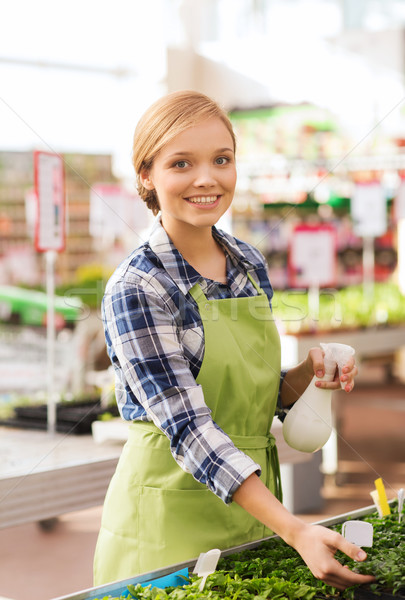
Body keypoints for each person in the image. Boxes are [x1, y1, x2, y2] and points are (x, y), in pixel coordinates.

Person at [93, 90, 374, 591]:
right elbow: (190, 428)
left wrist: (310, 373)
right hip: (166, 528)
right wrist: (294, 528)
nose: (208, 178)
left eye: (222, 159)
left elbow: (255, 401)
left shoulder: (248, 262)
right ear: (146, 177)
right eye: (181, 163)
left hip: (253, 517)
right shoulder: (138, 287)